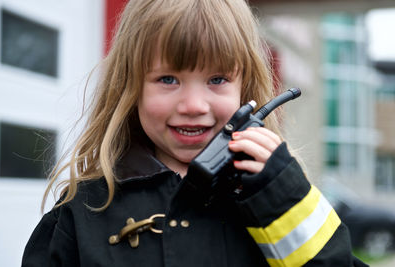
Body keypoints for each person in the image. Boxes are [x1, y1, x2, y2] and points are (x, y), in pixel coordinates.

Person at [22, 0, 367, 266]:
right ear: (131, 88)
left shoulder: (277, 198)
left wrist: (286, 198)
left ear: (244, 88)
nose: (193, 104)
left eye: (217, 80)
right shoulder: (84, 210)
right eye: (168, 79)